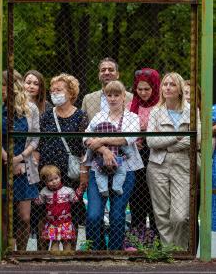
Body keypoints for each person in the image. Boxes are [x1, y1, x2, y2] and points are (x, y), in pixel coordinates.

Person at [83, 80, 143, 250]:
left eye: (117, 95)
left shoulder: (133, 117)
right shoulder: (98, 116)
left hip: (126, 169)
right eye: (109, 95)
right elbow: (86, 138)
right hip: (98, 168)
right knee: (94, 215)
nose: (113, 98)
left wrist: (100, 140)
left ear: (124, 96)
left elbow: (127, 138)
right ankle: (96, 250)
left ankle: (115, 252)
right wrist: (104, 150)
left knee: (117, 215)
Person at [146, 72, 199, 250]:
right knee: (161, 214)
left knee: (180, 215)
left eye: (172, 84)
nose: (167, 87)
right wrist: (177, 137)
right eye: (165, 84)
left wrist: (166, 142)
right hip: (157, 166)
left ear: (179, 90)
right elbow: (151, 141)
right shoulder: (155, 112)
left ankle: (181, 252)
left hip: (183, 164)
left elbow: (196, 139)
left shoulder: (192, 111)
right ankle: (169, 253)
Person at [37, 73, 88, 250]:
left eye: (59, 90)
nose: (54, 93)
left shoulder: (81, 116)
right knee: (44, 213)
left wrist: (83, 174)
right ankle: (42, 252)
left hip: (69, 173)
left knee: (70, 214)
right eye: (52, 90)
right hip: (47, 172)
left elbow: (84, 149)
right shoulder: (45, 116)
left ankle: (69, 253)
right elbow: (38, 144)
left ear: (71, 92)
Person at [3, 75, 40, 251]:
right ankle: (5, 252)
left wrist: (19, 159)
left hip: (25, 166)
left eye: (5, 85)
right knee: (5, 216)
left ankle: (22, 252)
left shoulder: (31, 108)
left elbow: (35, 139)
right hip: (2, 164)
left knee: (24, 217)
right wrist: (8, 160)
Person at [124, 68, 160, 250]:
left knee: (154, 199)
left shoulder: (160, 106)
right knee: (137, 198)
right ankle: (136, 242)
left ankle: (155, 242)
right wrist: (135, 140)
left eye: (147, 89)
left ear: (155, 88)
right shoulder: (134, 105)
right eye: (140, 89)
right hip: (136, 157)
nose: (143, 93)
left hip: (156, 156)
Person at [34, 165, 85, 252]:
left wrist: (80, 189)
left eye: (56, 178)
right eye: (50, 180)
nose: (54, 182)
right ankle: (55, 262)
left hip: (65, 223)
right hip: (52, 223)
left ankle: (66, 260)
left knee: (67, 243)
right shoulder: (44, 192)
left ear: (60, 177)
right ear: (45, 182)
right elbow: (39, 202)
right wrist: (33, 193)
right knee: (54, 243)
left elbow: (75, 199)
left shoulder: (67, 190)